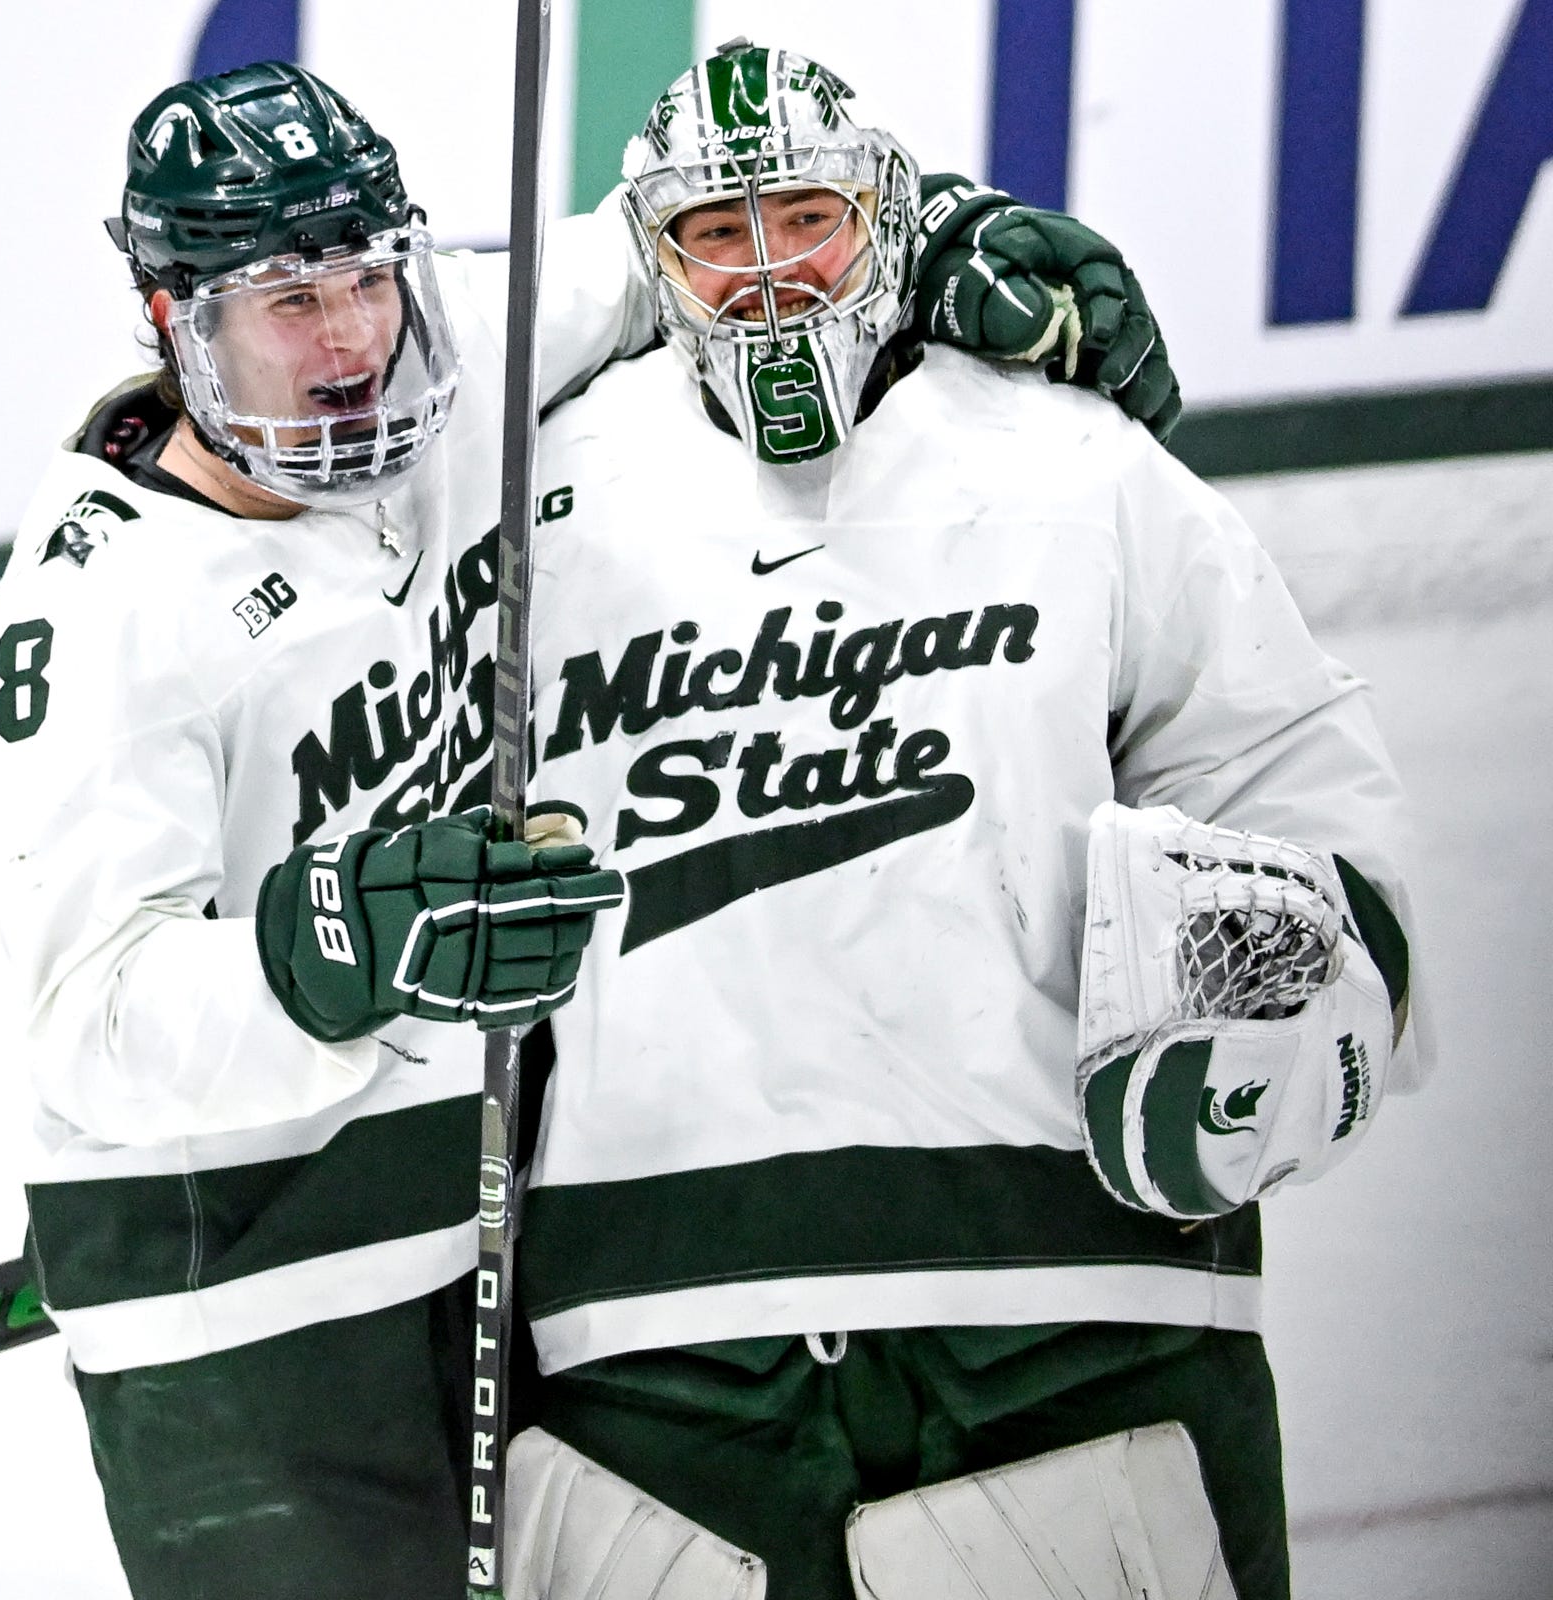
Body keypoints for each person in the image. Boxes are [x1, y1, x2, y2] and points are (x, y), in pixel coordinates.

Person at [0, 58, 1193, 1600]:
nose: (349, 343)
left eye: (365, 279)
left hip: (498, 1239)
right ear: (172, 323)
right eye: (286, 305)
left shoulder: (447, 360)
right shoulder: (97, 616)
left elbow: (665, 240)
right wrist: (329, 952)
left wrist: (939, 234)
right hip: (246, 1317)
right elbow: (90, 1019)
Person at [506, 40, 1426, 1600]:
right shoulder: (530, 501)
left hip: (1074, 1324)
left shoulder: (1074, 457)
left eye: (807, 217)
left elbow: (1281, 748)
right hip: (654, 1366)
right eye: (712, 236)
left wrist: (1308, 982)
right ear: (648, 258)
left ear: (896, 216)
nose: (767, 276)